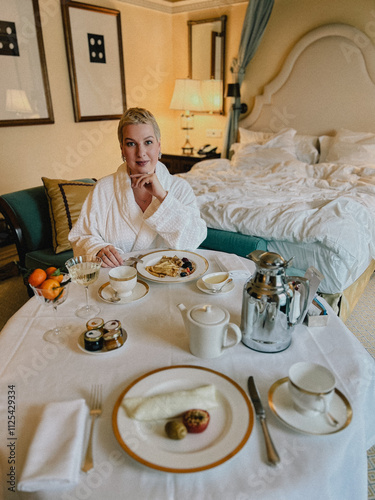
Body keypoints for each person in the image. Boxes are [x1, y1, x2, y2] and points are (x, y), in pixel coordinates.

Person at [68, 107, 207, 267]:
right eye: (131, 144)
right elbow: (81, 236)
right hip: (120, 282)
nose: (141, 152)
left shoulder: (180, 188)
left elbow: (193, 240)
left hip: (168, 282)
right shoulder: (103, 189)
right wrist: (98, 250)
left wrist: (162, 196)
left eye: (148, 142)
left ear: (159, 145)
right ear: (122, 149)